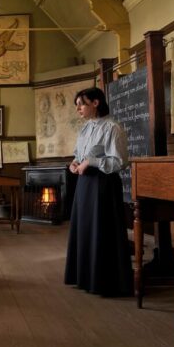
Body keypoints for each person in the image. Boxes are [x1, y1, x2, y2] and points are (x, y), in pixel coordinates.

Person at [63, 86, 131, 297]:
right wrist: (75, 163)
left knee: (101, 230)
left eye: (81, 104)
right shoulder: (85, 128)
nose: (78, 109)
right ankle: (84, 278)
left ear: (95, 103)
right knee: (85, 229)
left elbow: (120, 162)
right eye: (77, 106)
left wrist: (90, 162)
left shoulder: (112, 127)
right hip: (85, 184)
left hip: (103, 186)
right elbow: (79, 154)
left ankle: (104, 282)